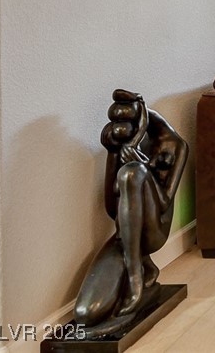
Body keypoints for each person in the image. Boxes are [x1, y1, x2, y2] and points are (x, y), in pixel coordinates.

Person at [73, 89, 188, 337]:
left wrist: (143, 167)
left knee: (133, 173)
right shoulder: (123, 144)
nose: (121, 130)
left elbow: (165, 202)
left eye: (127, 124)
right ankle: (143, 267)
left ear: (143, 118)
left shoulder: (175, 145)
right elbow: (113, 209)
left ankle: (136, 279)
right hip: (124, 237)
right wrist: (113, 154)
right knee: (85, 313)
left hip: (154, 231)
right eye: (116, 124)